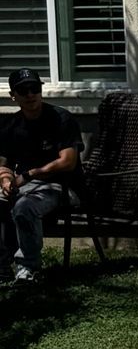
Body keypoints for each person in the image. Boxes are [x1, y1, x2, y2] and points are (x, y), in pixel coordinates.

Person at [0, 70, 82, 285]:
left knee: (24, 207)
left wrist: (29, 175)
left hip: (62, 186)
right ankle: (3, 265)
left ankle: (28, 269)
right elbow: (4, 164)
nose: (30, 94)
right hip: (25, 186)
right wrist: (6, 180)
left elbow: (68, 162)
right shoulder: (11, 126)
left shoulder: (61, 118)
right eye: (23, 90)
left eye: (34, 88)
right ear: (13, 95)